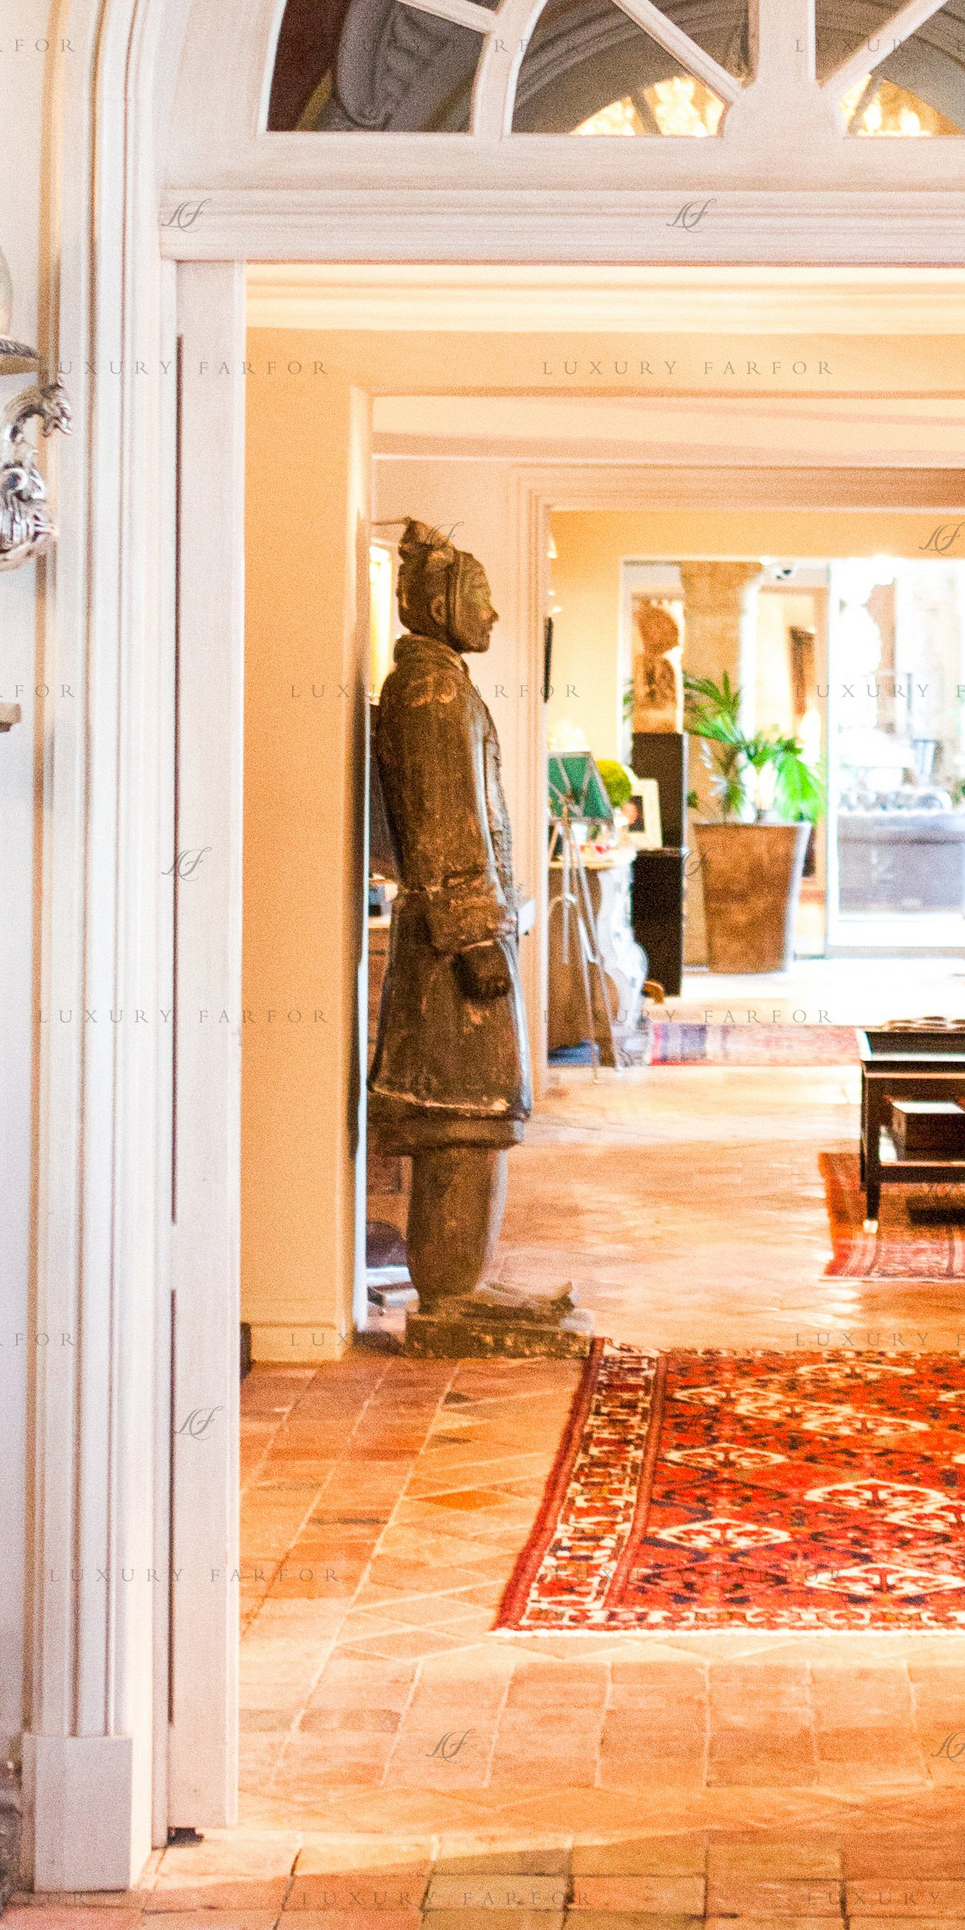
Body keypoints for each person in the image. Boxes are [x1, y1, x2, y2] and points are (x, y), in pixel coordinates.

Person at [368, 520, 584, 1351]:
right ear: (441, 604)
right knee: (458, 1117)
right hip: (451, 951)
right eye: (483, 599)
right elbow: (442, 824)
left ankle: (466, 1284)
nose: (493, 616)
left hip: (463, 939)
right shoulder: (428, 693)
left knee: (479, 1118)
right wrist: (473, 937)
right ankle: (449, 1297)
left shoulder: (442, 683)